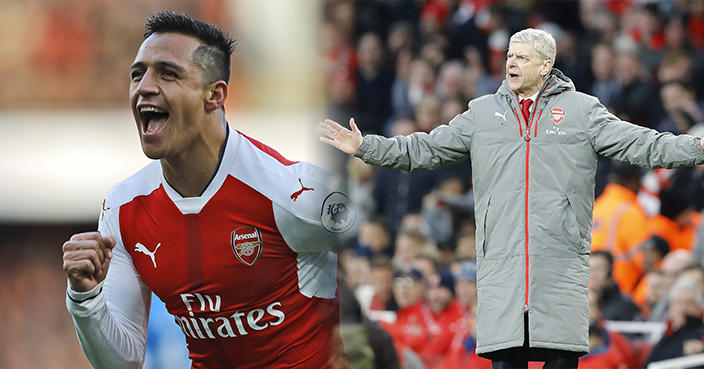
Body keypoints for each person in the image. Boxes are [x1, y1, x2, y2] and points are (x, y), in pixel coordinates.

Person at [319, 27, 704, 369]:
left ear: (546, 65)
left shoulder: (582, 110)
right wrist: (366, 146)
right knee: (505, 359)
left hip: (560, 263)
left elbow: (643, 144)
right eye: (508, 55)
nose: (511, 62)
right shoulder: (482, 112)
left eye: (522, 56)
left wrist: (697, 148)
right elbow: (425, 149)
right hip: (501, 264)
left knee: (560, 357)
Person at [62, 12, 354, 369]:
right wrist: (85, 297)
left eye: (168, 73)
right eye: (138, 74)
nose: (144, 87)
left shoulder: (293, 191)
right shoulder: (123, 208)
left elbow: (381, 241)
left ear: (214, 95)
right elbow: (122, 363)